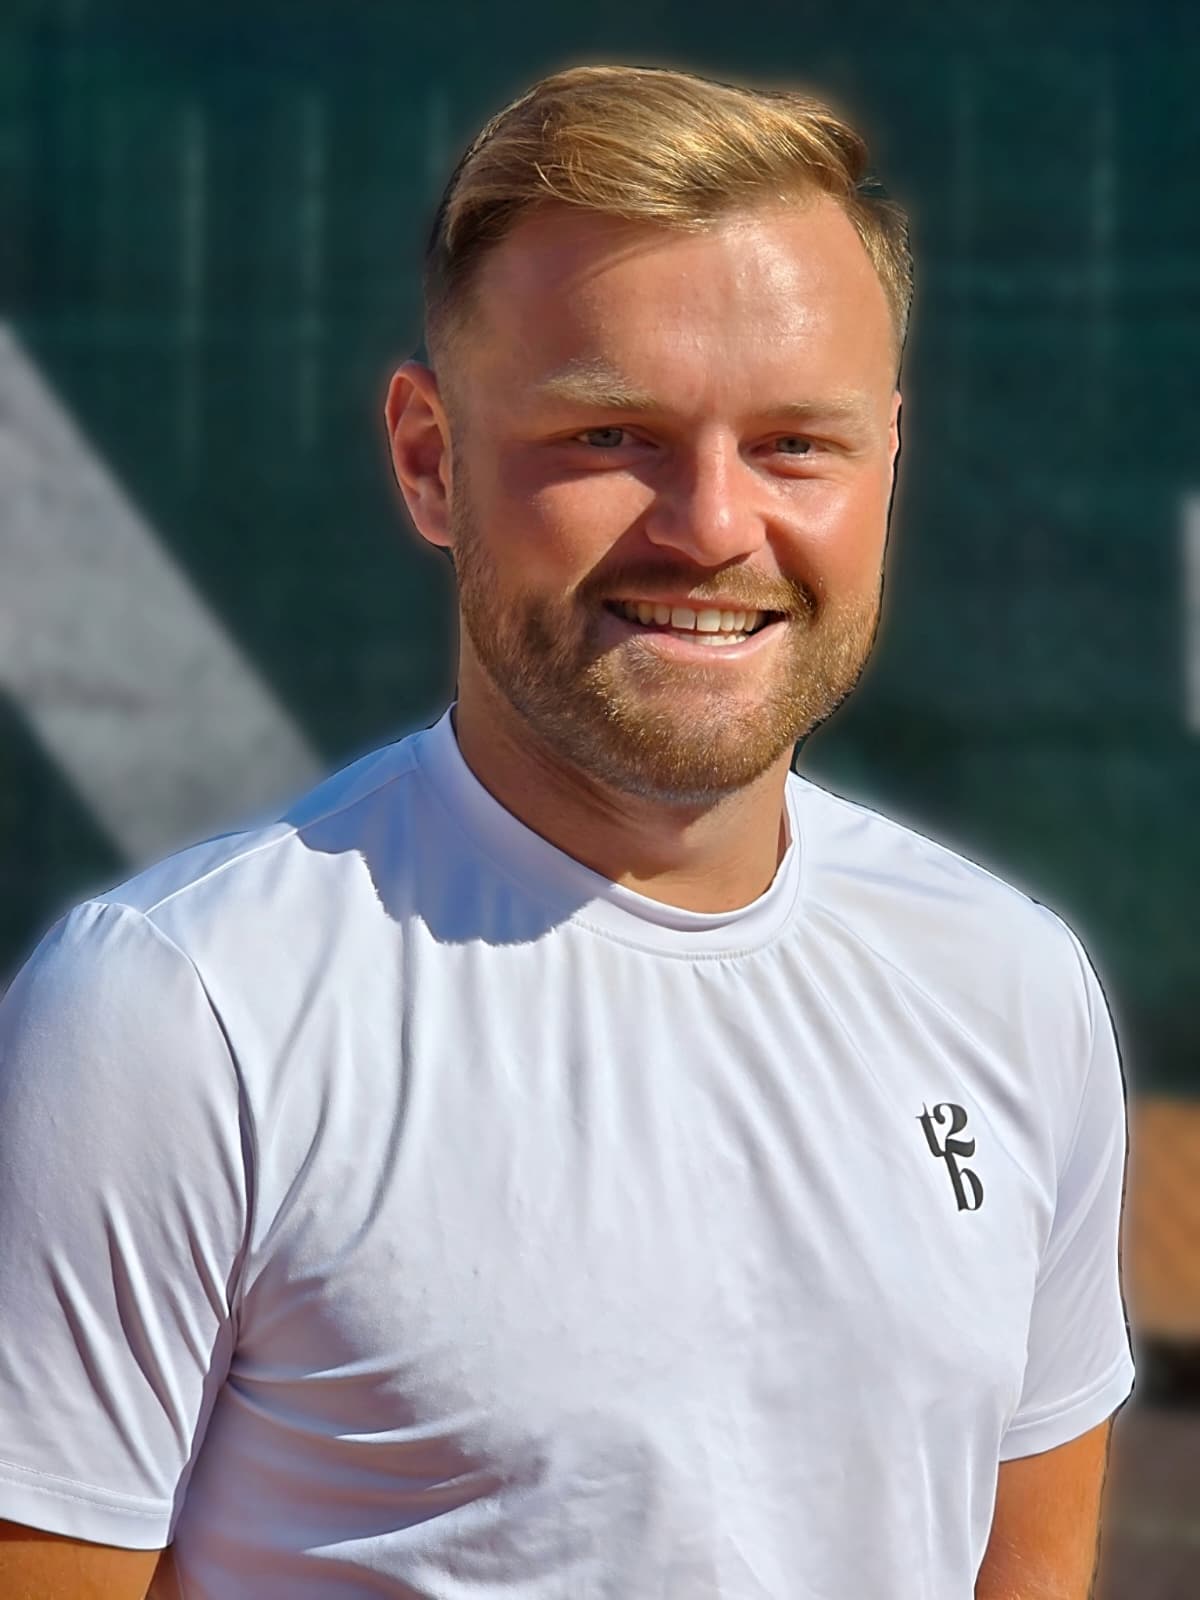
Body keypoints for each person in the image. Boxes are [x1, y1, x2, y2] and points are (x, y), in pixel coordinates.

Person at [0, 63, 1134, 1600]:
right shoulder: (170, 1014)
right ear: (429, 460)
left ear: (888, 459)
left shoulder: (1014, 984)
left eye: (796, 443)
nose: (714, 525)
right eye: (611, 437)